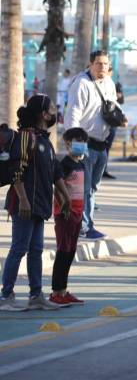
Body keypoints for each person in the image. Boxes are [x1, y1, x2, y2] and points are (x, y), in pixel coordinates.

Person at [1, 95, 70, 311]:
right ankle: (6, 296)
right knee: (19, 248)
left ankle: (36, 295)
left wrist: (65, 197)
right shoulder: (26, 137)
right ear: (43, 114)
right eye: (51, 108)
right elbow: (16, 169)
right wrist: (23, 199)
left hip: (39, 204)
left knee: (36, 250)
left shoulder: (45, 141)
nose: (54, 112)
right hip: (24, 203)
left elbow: (55, 171)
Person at [64, 50, 118, 241]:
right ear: (90, 64)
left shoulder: (109, 83)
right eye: (98, 63)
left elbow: (113, 108)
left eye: (105, 64)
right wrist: (74, 146)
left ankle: (85, 224)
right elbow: (73, 113)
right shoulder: (82, 83)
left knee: (93, 188)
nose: (102, 67)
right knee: (83, 188)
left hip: (102, 144)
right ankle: (84, 227)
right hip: (84, 143)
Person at [49, 127, 89, 307]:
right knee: (63, 251)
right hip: (65, 214)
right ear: (67, 144)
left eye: (83, 141)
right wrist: (63, 205)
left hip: (78, 214)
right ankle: (55, 292)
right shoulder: (63, 165)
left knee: (71, 251)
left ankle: (63, 291)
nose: (81, 145)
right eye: (77, 141)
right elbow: (57, 187)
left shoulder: (81, 164)